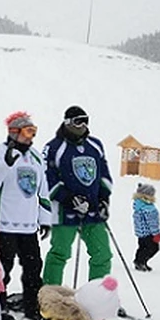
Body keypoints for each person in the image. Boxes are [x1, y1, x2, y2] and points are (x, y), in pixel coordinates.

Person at [0, 111, 52, 320]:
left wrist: (45, 218)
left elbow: (43, 190)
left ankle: (32, 306)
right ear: (14, 132)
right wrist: (4, 165)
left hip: (28, 226)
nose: (31, 137)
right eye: (28, 131)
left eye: (33, 131)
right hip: (3, 224)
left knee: (33, 268)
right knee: (1, 269)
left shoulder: (36, 156)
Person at [42, 106, 114, 286]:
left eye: (86, 121)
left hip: (93, 210)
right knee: (60, 253)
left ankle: (97, 295)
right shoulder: (54, 147)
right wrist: (68, 198)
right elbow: (47, 178)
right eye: (78, 121)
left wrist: (104, 199)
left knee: (102, 253)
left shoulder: (95, 145)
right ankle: (50, 295)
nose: (83, 125)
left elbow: (103, 174)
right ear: (67, 122)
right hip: (65, 212)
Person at [132, 183, 160, 271]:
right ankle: (140, 262)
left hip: (141, 233)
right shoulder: (149, 208)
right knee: (153, 248)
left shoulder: (139, 205)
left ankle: (140, 261)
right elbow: (153, 223)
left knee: (142, 247)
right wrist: (156, 234)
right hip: (149, 233)